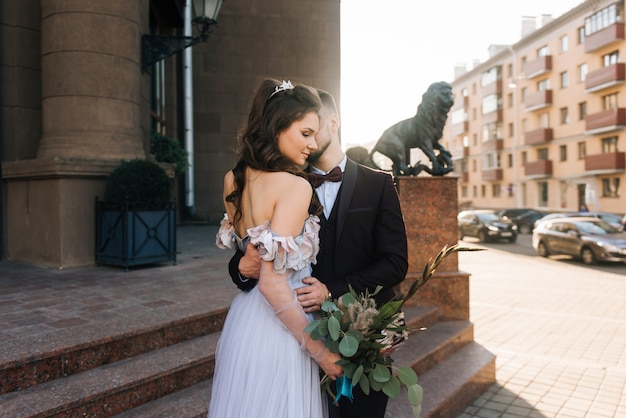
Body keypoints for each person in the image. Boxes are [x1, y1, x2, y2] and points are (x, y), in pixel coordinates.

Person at [229, 88, 409, 418]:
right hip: (297, 336)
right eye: (303, 131)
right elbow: (256, 259)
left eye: (313, 129)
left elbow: (396, 263)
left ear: (333, 122)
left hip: (361, 330)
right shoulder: (285, 180)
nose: (309, 142)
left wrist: (333, 289)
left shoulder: (378, 184)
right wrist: (242, 267)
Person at [208, 78, 343, 418]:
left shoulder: (233, 179)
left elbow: (249, 259)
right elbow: (271, 282)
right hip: (284, 330)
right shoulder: (295, 186)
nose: (312, 144)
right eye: (306, 133)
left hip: (244, 323)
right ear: (278, 126)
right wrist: (321, 354)